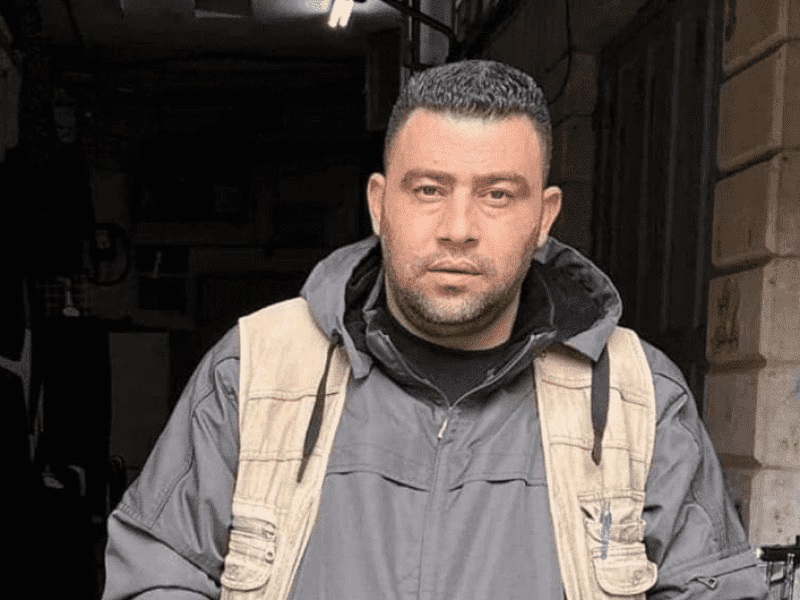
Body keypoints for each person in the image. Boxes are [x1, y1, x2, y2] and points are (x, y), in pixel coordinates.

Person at [102, 59, 768, 600]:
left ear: (544, 217)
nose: (458, 228)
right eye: (428, 189)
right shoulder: (255, 371)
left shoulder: (635, 397)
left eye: (497, 194)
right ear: (378, 203)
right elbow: (158, 574)